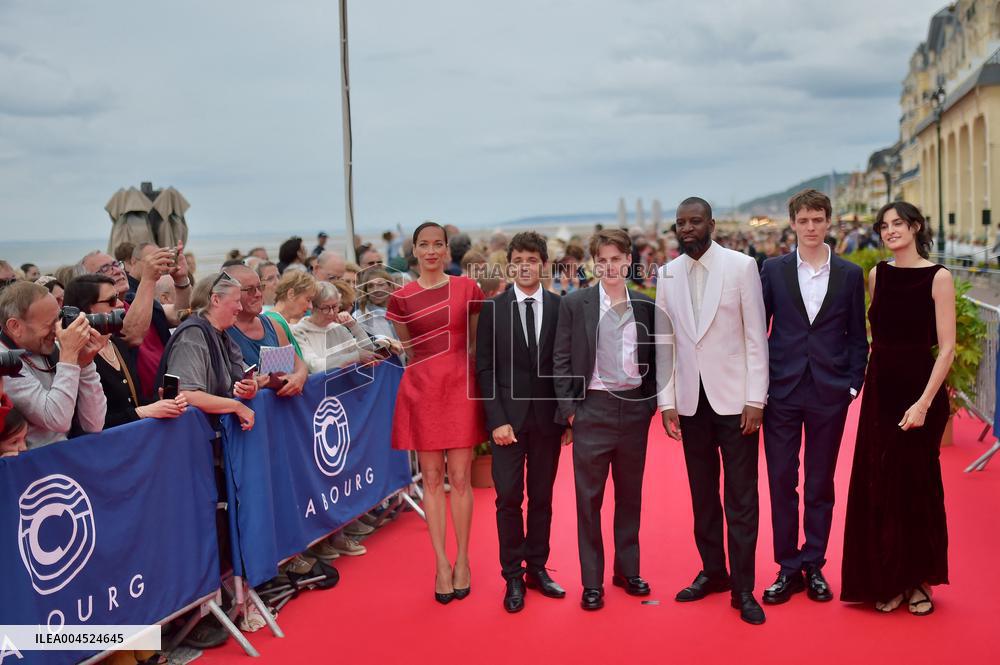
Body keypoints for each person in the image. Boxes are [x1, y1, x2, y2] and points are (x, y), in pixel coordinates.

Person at [655, 197, 769, 625]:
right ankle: (714, 572)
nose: (687, 228)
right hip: (690, 403)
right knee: (703, 497)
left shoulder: (742, 266)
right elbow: (665, 342)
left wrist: (756, 398)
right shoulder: (666, 274)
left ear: (711, 224)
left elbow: (756, 337)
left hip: (736, 403)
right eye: (680, 222)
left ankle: (744, 588)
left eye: (694, 220)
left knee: (741, 498)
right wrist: (666, 402)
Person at [841, 202, 954, 616]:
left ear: (915, 227)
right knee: (879, 483)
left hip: (919, 390)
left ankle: (919, 581)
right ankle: (887, 579)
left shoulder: (939, 276)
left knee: (917, 486)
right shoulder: (878, 275)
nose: (890, 231)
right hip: (881, 390)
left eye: (898, 224)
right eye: (884, 226)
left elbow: (947, 349)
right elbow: (876, 337)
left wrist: (924, 404)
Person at [759, 190, 869, 605]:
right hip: (782, 390)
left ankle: (815, 563)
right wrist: (759, 386)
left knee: (821, 482)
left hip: (829, 392)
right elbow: (759, 329)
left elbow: (858, 336)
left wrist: (853, 383)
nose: (810, 227)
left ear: (828, 222)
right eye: (803, 220)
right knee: (781, 481)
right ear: (793, 223)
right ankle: (788, 567)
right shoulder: (772, 269)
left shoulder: (849, 274)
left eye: (817, 220)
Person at [552, 229, 658, 611]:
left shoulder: (645, 305)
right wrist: (570, 410)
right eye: (604, 259)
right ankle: (592, 581)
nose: (610, 266)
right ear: (595, 263)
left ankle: (627, 571)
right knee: (589, 500)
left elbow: (655, 359)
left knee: (630, 497)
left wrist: (649, 405)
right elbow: (561, 359)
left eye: (617, 258)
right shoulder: (575, 303)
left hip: (633, 409)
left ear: (629, 261)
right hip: (591, 409)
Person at [387, 221, 486, 603]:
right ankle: (441, 563)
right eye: (424, 244)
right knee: (431, 478)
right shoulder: (402, 298)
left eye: (438, 244)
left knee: (460, 478)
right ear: (414, 249)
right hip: (422, 389)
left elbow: (473, 342)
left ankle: (463, 561)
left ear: (447, 250)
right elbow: (410, 348)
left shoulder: (467, 288)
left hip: (459, 387)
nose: (431, 251)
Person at [477, 231, 570, 613]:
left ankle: (537, 569)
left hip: (548, 420)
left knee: (543, 499)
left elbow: (567, 364)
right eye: (518, 261)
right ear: (510, 265)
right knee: (509, 499)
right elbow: (484, 369)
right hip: (508, 425)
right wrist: (496, 420)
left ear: (542, 264)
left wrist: (567, 416)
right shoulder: (493, 309)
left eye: (532, 260)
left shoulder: (561, 306)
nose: (525, 266)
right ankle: (512, 575)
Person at [63, 274, 188, 432]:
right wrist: (142, 412)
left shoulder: (117, 343)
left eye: (117, 297)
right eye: (111, 301)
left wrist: (160, 402)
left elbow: (134, 401)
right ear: (87, 308)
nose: (121, 303)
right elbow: (85, 425)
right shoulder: (74, 357)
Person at [0, 281, 107, 447]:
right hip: (32, 466)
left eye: (59, 318)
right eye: (49, 324)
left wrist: (85, 365)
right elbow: (57, 420)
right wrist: (70, 357)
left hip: (63, 455)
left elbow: (94, 424)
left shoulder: (52, 347)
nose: (58, 330)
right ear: (15, 326)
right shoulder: (5, 362)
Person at [157, 272, 259, 430]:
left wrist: (251, 388)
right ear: (216, 299)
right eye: (237, 301)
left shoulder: (223, 335)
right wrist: (236, 406)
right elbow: (186, 394)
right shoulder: (192, 335)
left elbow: (243, 379)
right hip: (192, 439)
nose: (240, 307)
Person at [123, 242, 194, 398]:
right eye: (154, 260)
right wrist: (148, 279)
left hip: (165, 382)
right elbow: (132, 335)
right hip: (142, 393)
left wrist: (181, 280)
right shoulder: (126, 296)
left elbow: (179, 316)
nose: (159, 266)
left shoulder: (148, 290)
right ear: (133, 262)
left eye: (164, 260)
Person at [224, 265, 307, 396]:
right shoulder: (223, 332)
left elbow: (299, 364)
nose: (258, 294)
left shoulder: (273, 325)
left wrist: (299, 378)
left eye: (259, 287)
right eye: (250, 290)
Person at [293, 281, 379, 373]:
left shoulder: (339, 328)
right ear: (312, 307)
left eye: (334, 307)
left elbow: (369, 351)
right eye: (325, 308)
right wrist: (355, 357)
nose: (331, 313)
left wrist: (354, 326)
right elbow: (315, 367)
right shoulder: (299, 331)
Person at [265, 271, 317, 353]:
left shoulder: (276, 320)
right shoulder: (275, 322)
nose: (310, 307)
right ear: (291, 294)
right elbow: (286, 365)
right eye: (308, 300)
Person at [354, 267, 399, 341]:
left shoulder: (402, 310)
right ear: (366, 291)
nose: (376, 290)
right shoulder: (359, 316)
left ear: (390, 287)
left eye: (381, 284)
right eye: (370, 286)